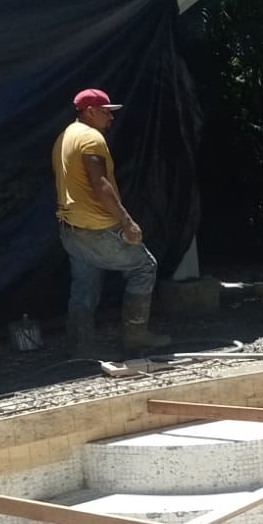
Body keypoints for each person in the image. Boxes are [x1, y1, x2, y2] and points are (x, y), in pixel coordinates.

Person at [52, 88, 171, 357]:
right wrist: (127, 222)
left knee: (85, 285)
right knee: (144, 266)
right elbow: (100, 183)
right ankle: (136, 337)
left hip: (71, 228)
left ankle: (80, 348)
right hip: (96, 227)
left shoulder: (65, 137)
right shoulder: (91, 139)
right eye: (106, 112)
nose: (111, 118)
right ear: (90, 111)